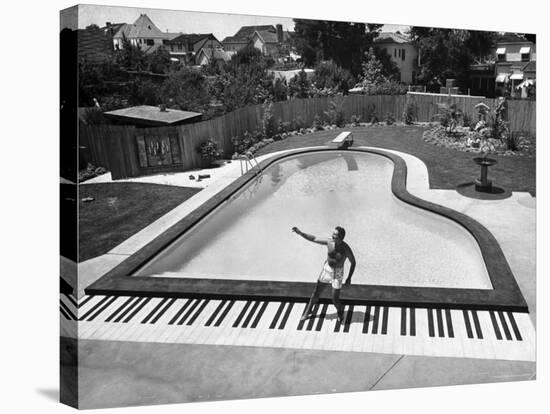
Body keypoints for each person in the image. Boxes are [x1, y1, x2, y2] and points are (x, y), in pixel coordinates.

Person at [292, 226, 356, 322]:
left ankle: (340, 309)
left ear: (341, 238)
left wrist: (349, 278)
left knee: (334, 298)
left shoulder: (346, 249)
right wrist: (301, 233)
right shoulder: (329, 242)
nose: (333, 236)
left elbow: (353, 262)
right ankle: (308, 311)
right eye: (333, 234)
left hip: (337, 272)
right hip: (327, 269)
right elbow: (314, 238)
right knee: (316, 293)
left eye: (335, 235)